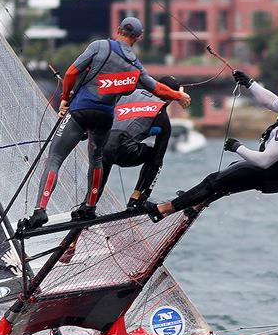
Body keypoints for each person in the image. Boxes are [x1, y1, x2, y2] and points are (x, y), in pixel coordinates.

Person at [27, 17, 191, 228]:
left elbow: (70, 73)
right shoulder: (135, 66)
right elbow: (157, 88)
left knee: (56, 157)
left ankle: (40, 210)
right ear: (138, 38)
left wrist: (65, 99)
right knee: (96, 159)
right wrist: (179, 96)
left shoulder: (99, 46)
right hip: (104, 117)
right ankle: (90, 207)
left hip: (80, 110)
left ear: (118, 30)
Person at [150, 73, 278, 220]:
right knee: (229, 172)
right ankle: (197, 203)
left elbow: (264, 162)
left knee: (214, 180)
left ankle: (163, 209)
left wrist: (237, 147)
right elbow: (271, 102)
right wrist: (250, 83)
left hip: (270, 176)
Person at [99, 75, 183, 211]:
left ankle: (89, 204)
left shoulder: (131, 92)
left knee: (105, 157)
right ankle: (137, 199)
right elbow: (157, 159)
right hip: (123, 152)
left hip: (100, 146)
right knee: (154, 156)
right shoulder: (161, 115)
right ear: (170, 98)